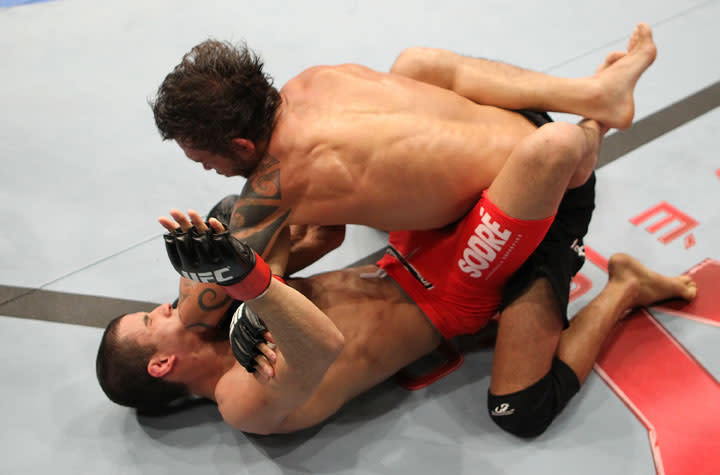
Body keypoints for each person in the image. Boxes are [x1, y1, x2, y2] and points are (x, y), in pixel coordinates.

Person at [150, 23, 657, 258]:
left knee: (553, 154)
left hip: (535, 185)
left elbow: (229, 291)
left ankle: (594, 130)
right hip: (513, 117)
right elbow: (330, 228)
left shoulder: (272, 189)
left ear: (240, 146)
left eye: (203, 158)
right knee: (414, 65)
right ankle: (593, 94)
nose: (204, 170)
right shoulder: (313, 80)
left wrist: (211, 255)